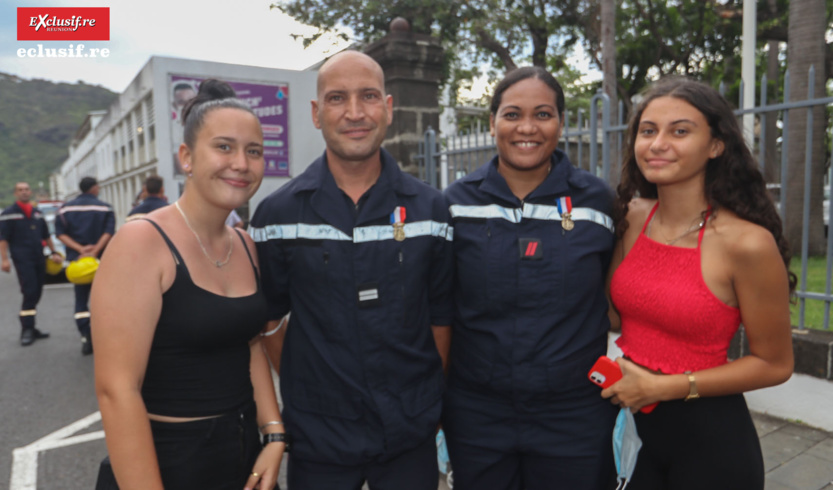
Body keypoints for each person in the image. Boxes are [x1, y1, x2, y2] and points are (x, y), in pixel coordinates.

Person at [249, 50, 453, 490]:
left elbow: (440, 319)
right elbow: (269, 319)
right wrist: (314, 384)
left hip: (409, 433)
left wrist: (425, 403)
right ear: (316, 113)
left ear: (389, 108)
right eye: (337, 98)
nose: (355, 113)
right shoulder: (276, 215)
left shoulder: (432, 210)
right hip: (318, 437)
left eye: (369, 96)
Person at [91, 79, 285, 489]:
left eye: (254, 151)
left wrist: (274, 434)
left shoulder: (246, 245)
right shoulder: (141, 241)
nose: (242, 163)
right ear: (187, 157)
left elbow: (248, 343)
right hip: (168, 461)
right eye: (224, 147)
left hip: (243, 454)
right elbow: (116, 390)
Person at [604, 77, 795, 489]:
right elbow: (614, 317)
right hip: (628, 420)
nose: (657, 144)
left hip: (709, 437)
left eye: (680, 131)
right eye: (648, 130)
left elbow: (775, 364)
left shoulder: (746, 243)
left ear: (715, 145)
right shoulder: (631, 217)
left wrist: (664, 386)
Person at [441, 66, 618, 490]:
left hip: (574, 414)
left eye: (542, 114)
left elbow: (620, 298)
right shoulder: (454, 203)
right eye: (512, 114)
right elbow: (438, 307)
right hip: (477, 414)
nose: (527, 128)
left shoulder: (599, 203)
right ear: (492, 122)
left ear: (560, 121)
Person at [56, 176, 115, 355]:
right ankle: (105, 337)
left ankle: (86, 336)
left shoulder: (65, 209)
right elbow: (108, 233)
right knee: (105, 299)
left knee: (81, 300)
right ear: (95, 188)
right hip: (100, 263)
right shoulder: (105, 207)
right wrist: (95, 251)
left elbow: (60, 234)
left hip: (78, 263)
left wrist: (81, 249)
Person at [0, 182, 62, 346]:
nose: (24, 192)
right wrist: (4, 259)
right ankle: (26, 329)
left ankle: (31, 326)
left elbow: (46, 236)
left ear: (31, 192)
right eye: (20, 190)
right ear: (15, 193)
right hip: (22, 259)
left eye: (27, 189)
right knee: (29, 292)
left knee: (37, 291)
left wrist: (54, 252)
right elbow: (3, 239)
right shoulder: (9, 214)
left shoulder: (37, 213)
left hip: (39, 258)